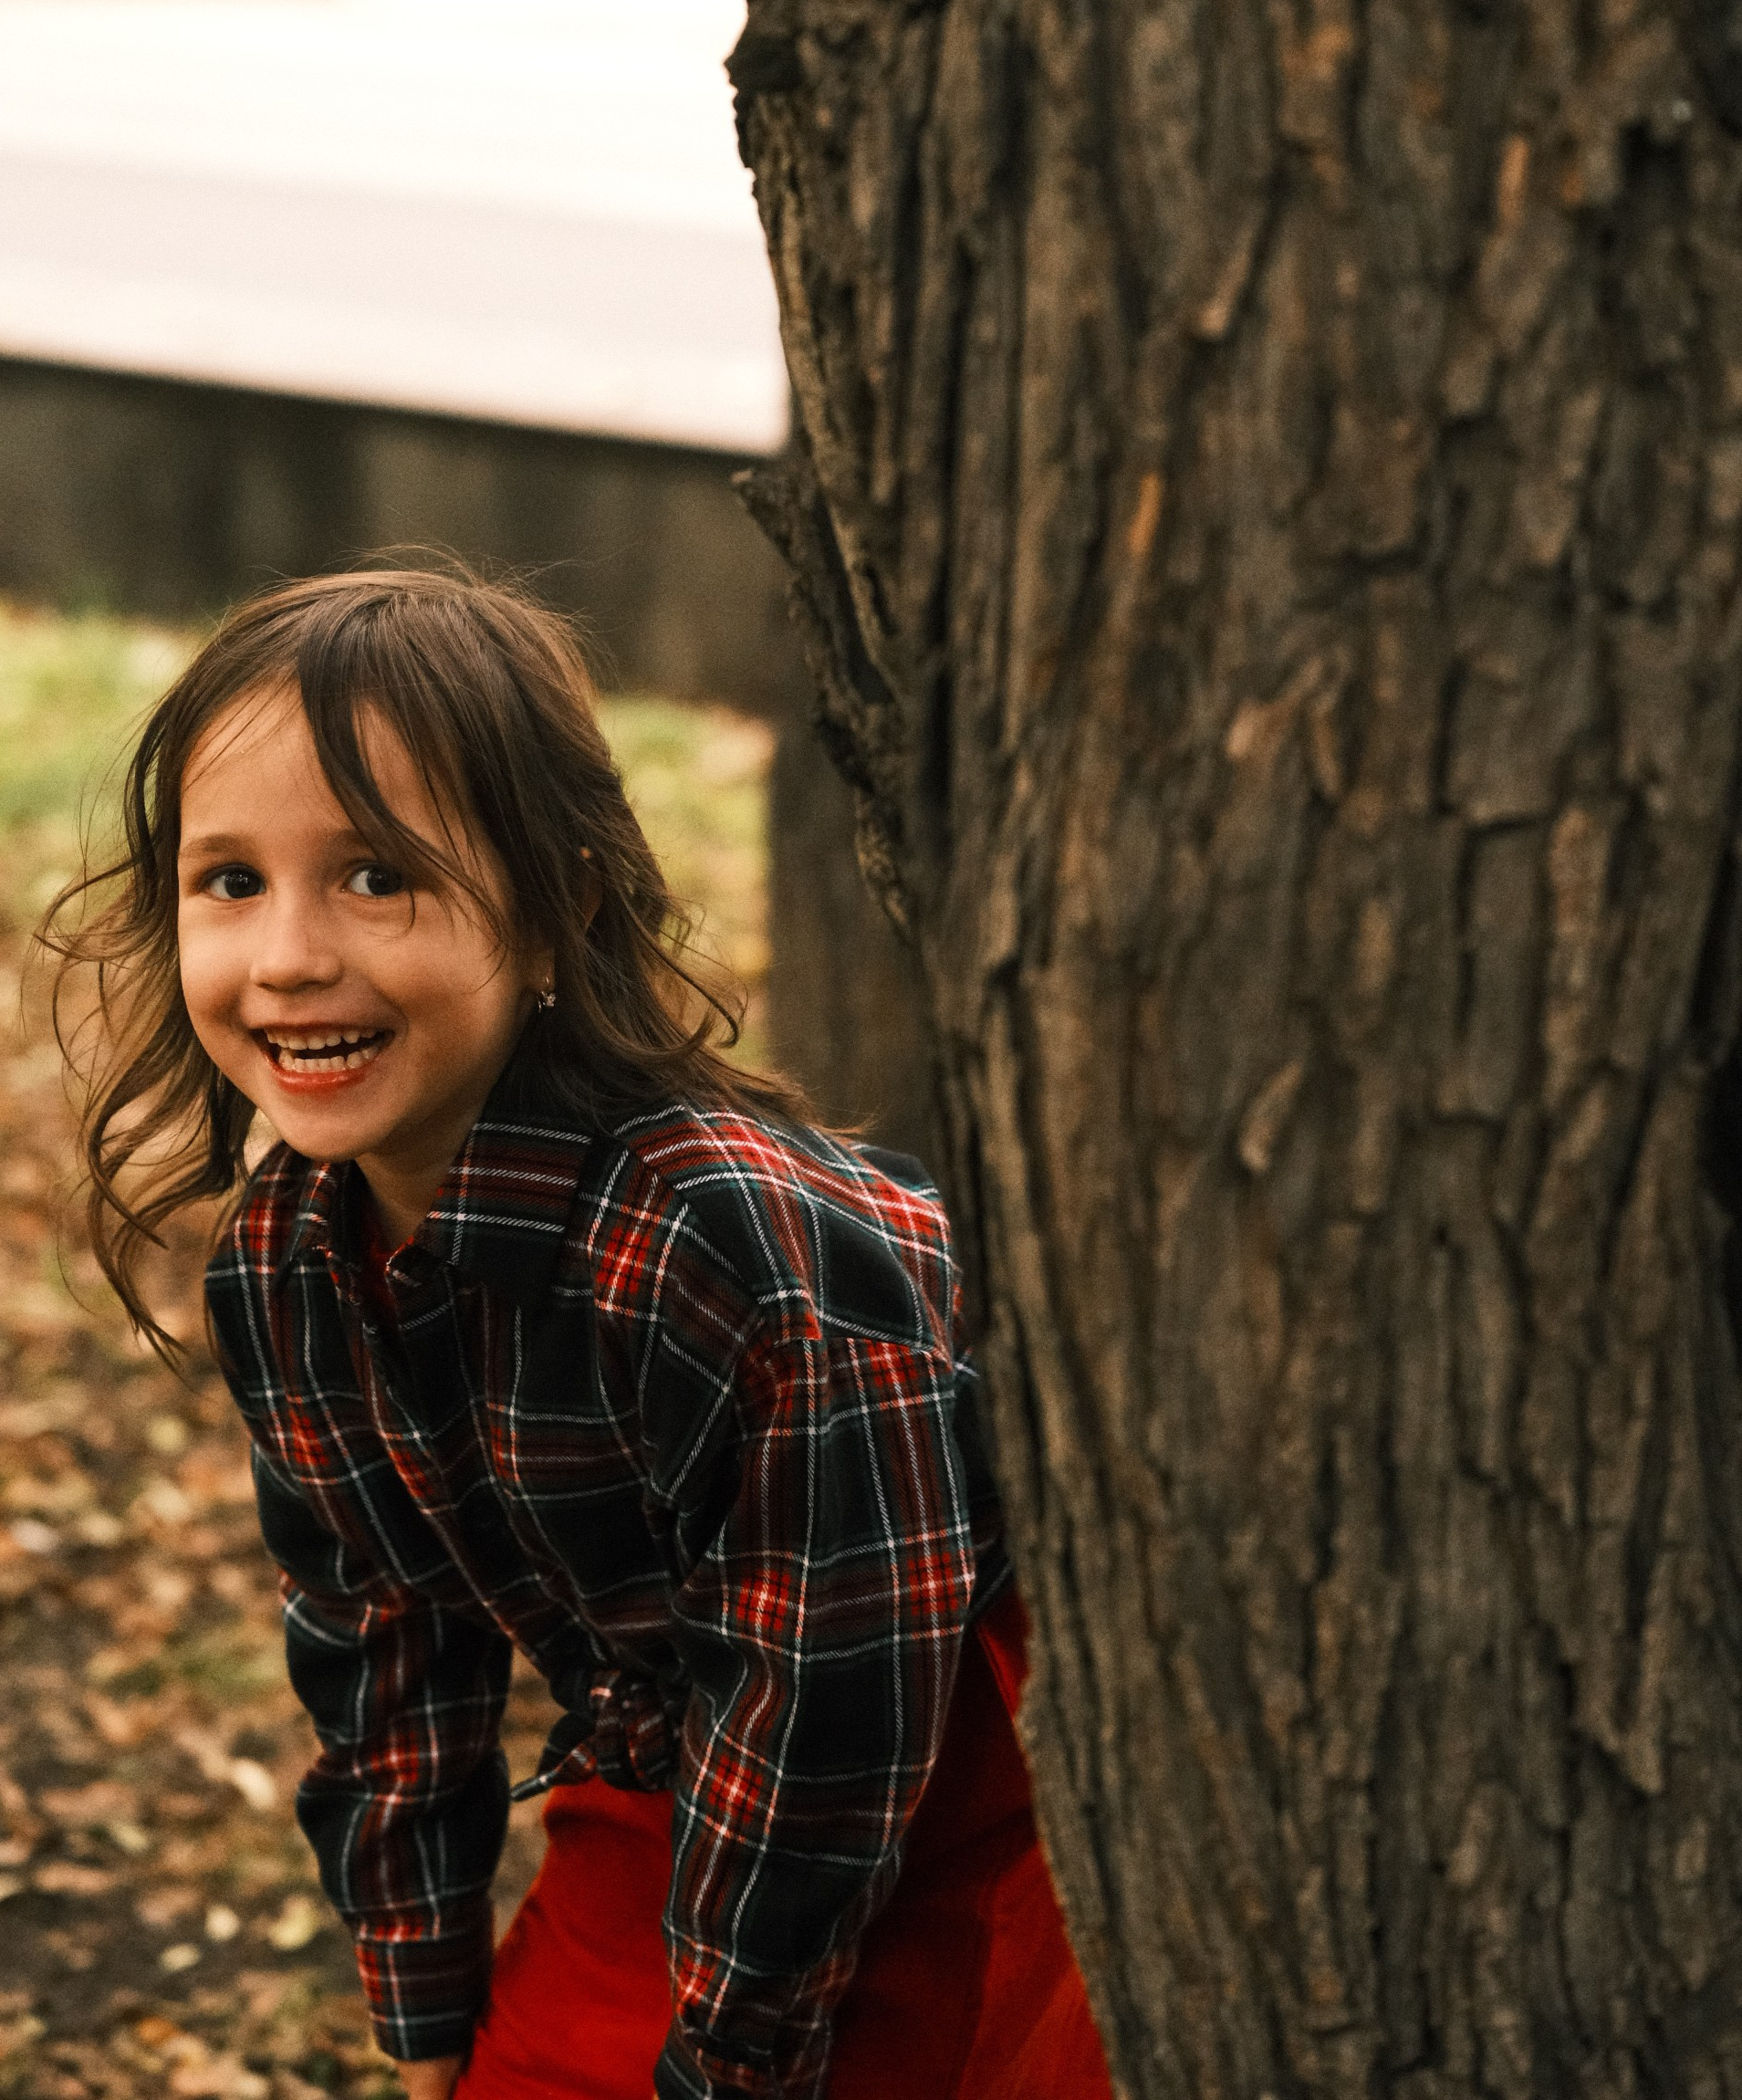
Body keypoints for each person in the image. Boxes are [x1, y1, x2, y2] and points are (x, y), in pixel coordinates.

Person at [55, 563, 1113, 2100]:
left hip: (950, 1752)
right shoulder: (291, 1260)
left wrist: (733, 2066)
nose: (286, 956)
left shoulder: (718, 1246)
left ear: (562, 916)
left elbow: (832, 1719)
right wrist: (420, 2007)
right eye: (230, 882)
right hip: (681, 1738)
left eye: (376, 876)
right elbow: (383, 1634)